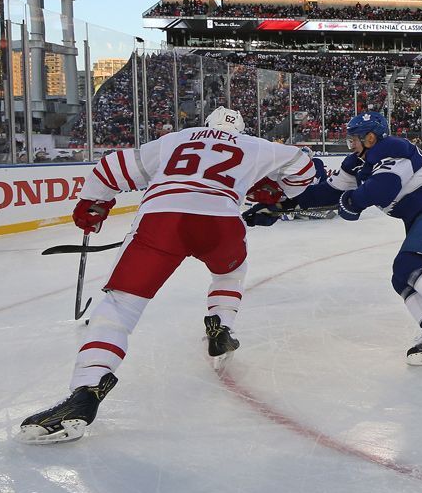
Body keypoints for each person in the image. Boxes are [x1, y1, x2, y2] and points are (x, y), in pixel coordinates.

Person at [17, 108, 317, 444]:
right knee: (230, 273)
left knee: (120, 305)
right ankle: (221, 324)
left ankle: (86, 390)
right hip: (220, 221)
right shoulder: (253, 145)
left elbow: (111, 167)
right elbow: (304, 165)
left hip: (161, 220)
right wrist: (277, 191)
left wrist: (93, 203)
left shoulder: (176, 139)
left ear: (205, 125)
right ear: (240, 130)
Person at [285, 112, 422, 365]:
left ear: (371, 138)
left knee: (410, 265)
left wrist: (353, 202)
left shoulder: (394, 147)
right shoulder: (356, 163)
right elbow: (328, 192)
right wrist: (282, 203)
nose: (351, 145)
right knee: (401, 277)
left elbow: (384, 187)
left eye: (354, 139)